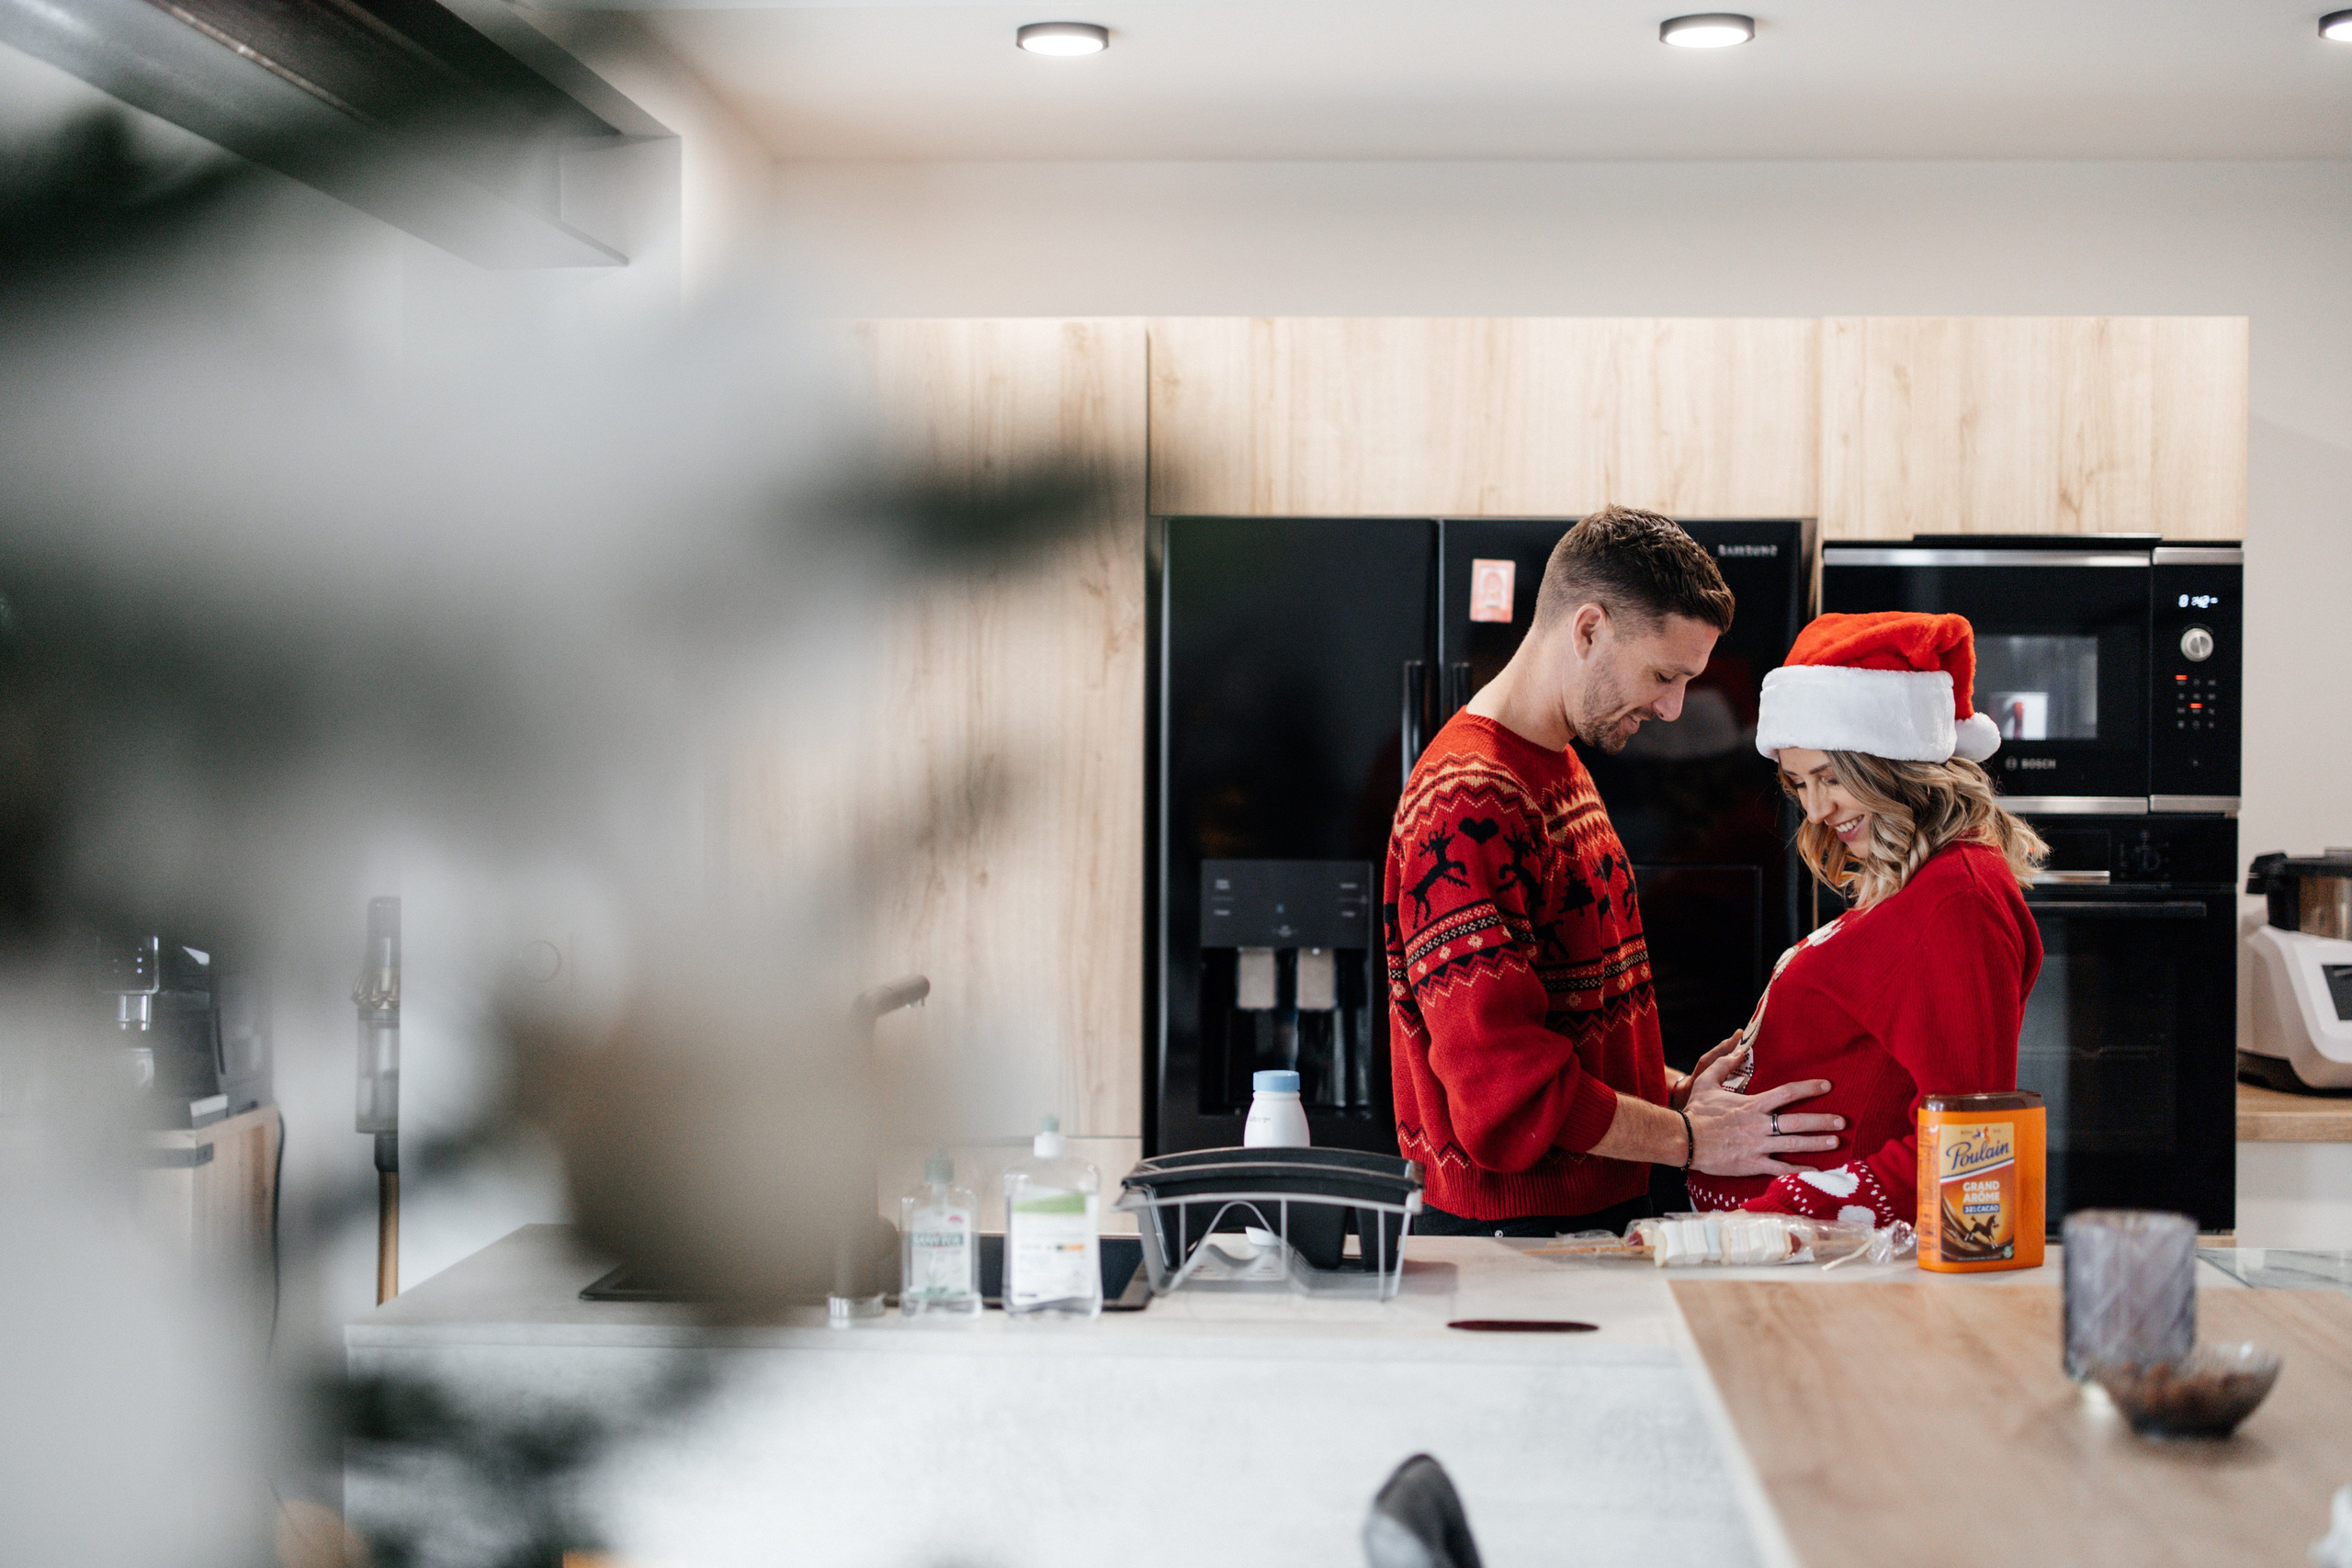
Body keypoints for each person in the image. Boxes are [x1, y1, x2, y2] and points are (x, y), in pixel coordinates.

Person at [1385, 506, 1848, 1237]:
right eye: (1663, 675)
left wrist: (1675, 1092)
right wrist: (1691, 1139)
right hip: (1518, 1240)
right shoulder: (1468, 796)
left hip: (1579, 1218)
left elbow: (1564, 1034)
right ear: (1589, 629)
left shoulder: (1557, 762)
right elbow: (1504, 1092)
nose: (1671, 709)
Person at [1685, 610, 2047, 1225]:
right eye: (1798, 783)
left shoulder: (1959, 900)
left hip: (1830, 1267)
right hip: (1791, 1261)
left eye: (1831, 778)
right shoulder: (1913, 884)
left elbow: (1966, 1148)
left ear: (1892, 761)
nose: (1817, 809)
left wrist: (1758, 1223)